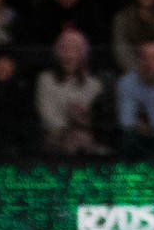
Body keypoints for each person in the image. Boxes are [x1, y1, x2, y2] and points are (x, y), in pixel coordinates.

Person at [36, 26, 106, 154]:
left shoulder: (94, 85)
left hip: (86, 139)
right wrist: (68, 131)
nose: (69, 55)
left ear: (82, 55)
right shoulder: (45, 80)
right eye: (64, 49)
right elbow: (47, 116)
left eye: (74, 50)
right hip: (54, 139)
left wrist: (83, 122)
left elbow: (94, 119)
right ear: (58, 53)